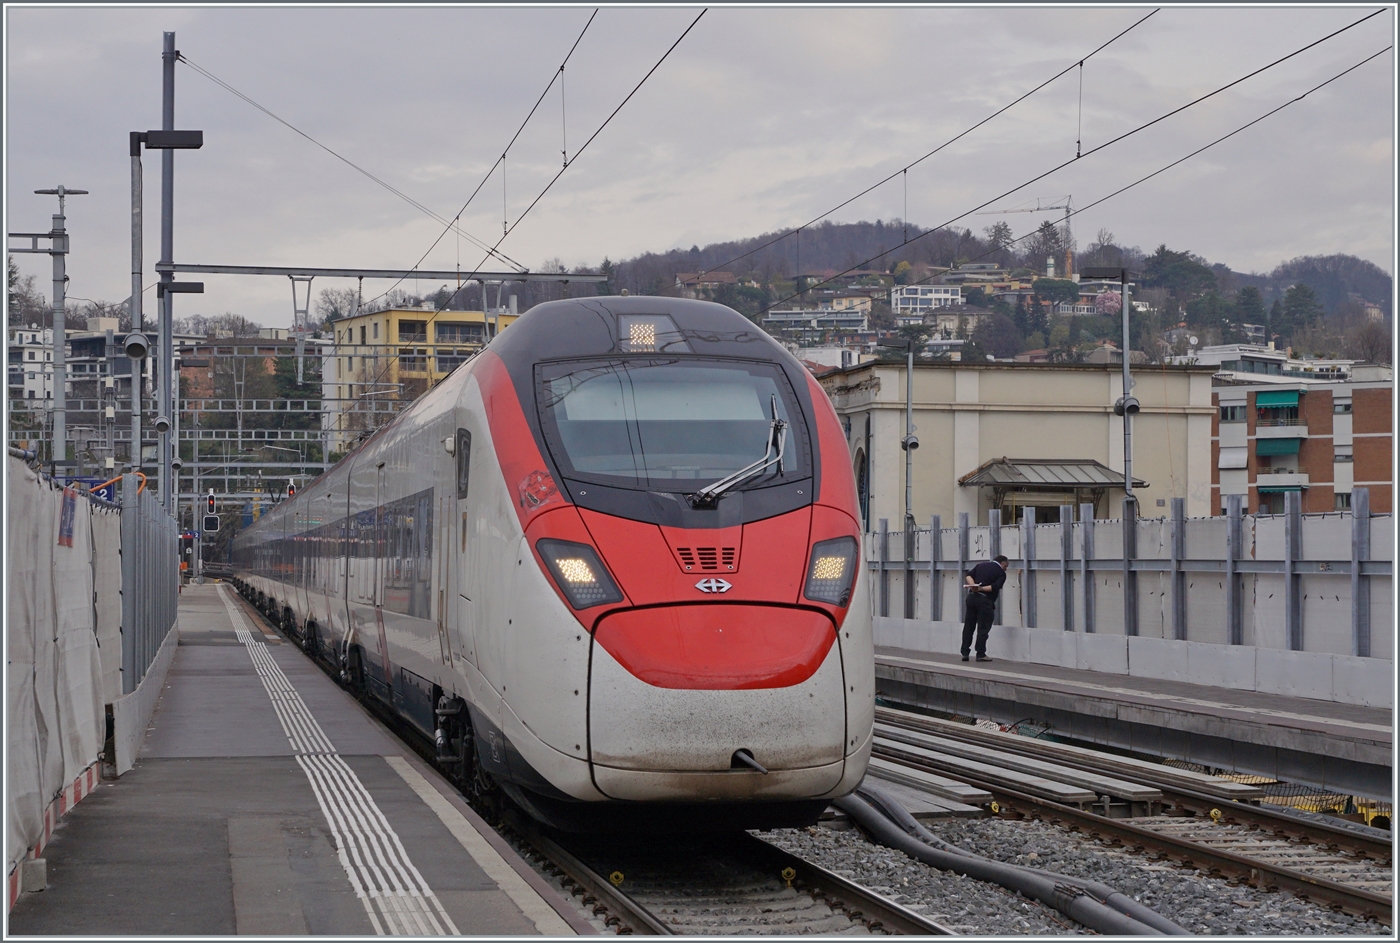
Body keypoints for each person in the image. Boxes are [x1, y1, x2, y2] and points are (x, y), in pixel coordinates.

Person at [961, 554, 1008, 662]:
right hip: (984, 601)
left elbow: (968, 575)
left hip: (971, 598)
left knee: (969, 626)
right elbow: (994, 587)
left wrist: (973, 586)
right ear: (1002, 563)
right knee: (983, 628)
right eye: (1006, 566)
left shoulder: (980, 565)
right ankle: (980, 654)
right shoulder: (1001, 573)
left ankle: (965, 652)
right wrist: (980, 588)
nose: (1006, 569)